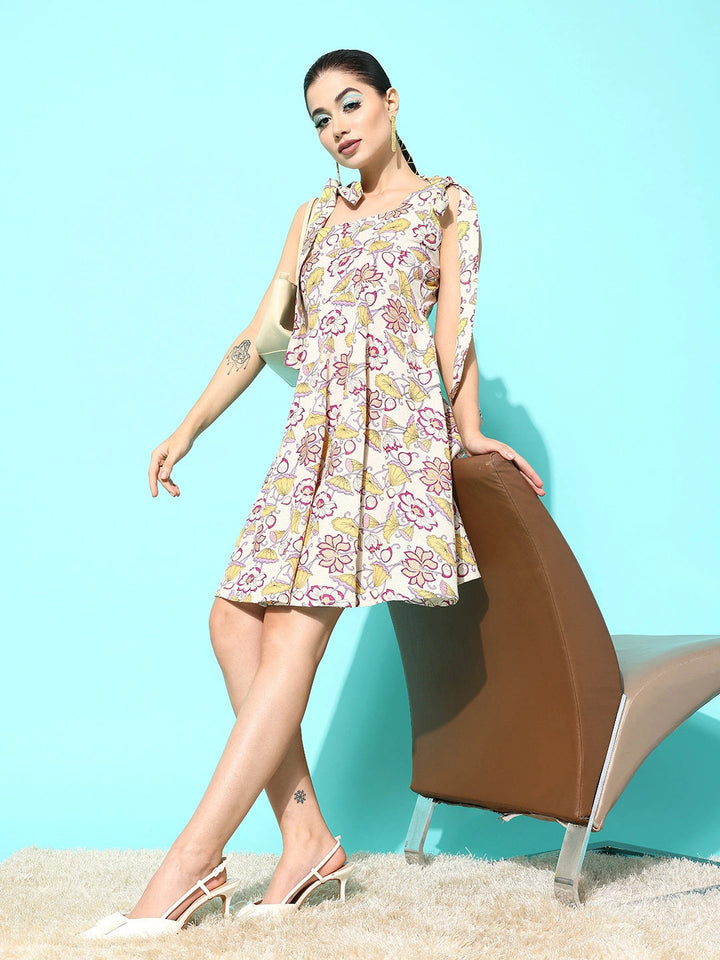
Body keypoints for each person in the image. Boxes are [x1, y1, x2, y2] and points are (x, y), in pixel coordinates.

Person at [79, 47, 544, 940]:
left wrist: (470, 429)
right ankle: (307, 842)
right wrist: (188, 426)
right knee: (231, 621)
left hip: (388, 438)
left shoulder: (447, 204)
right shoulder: (315, 216)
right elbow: (261, 336)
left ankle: (190, 863)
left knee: (292, 631)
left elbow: (456, 335)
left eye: (351, 103)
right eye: (321, 119)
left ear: (392, 101)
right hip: (314, 436)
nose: (337, 127)